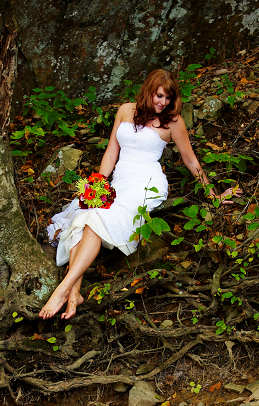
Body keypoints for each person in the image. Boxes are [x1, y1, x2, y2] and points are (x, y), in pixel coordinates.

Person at [39, 69, 239, 321]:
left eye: (168, 98)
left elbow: (190, 160)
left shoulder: (173, 122)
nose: (162, 103)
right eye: (158, 96)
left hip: (146, 184)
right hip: (120, 180)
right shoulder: (125, 111)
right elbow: (112, 150)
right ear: (148, 91)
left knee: (95, 221)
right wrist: (99, 185)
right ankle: (74, 293)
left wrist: (214, 195)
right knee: (86, 215)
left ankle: (62, 290)